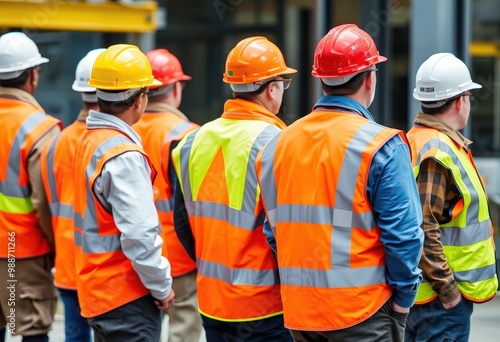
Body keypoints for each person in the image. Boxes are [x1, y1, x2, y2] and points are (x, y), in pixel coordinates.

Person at [255, 24, 424, 342]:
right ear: (370, 78)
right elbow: (404, 238)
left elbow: (274, 232)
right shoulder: (382, 145)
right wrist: (403, 301)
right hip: (363, 312)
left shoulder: (276, 145)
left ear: (321, 80)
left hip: (300, 313)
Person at [171, 36, 296, 341]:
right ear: (271, 88)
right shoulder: (277, 143)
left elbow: (182, 223)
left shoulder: (191, 141)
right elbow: (288, 232)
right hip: (266, 307)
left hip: (213, 302)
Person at [72, 44, 175, 341]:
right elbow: (140, 235)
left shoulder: (91, 140)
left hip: (101, 291)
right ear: (140, 100)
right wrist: (162, 286)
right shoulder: (123, 154)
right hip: (127, 297)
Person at [404, 52, 498, 342]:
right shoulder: (437, 151)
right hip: (438, 303)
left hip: (428, 298)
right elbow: (422, 226)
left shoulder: (417, 141)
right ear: (460, 101)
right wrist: (448, 291)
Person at [132, 48, 202, 342]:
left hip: (134, 252)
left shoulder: (125, 128)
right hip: (179, 255)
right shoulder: (188, 135)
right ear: (175, 88)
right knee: (183, 327)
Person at [40, 48, 105, 342]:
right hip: (105, 266)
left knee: (74, 335)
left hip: (68, 262)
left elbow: (48, 202)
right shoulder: (114, 142)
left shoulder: (58, 141)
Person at [0, 32, 61, 342]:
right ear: (32, 76)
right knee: (31, 330)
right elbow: (46, 202)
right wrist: (57, 247)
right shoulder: (39, 128)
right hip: (18, 253)